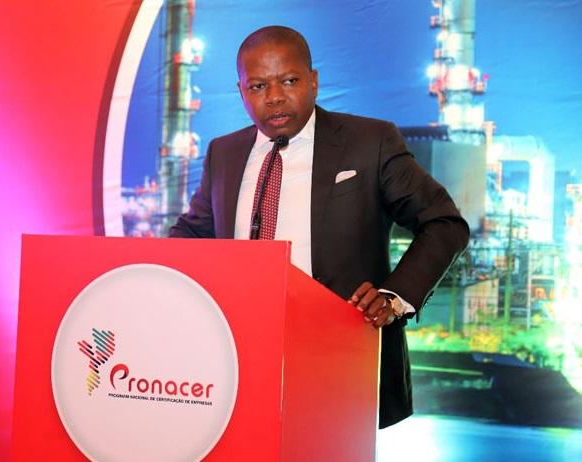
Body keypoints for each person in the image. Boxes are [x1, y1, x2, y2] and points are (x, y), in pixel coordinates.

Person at [169, 25, 469, 428]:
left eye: (289, 81)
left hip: (341, 360)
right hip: (238, 359)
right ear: (241, 92)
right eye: (258, 86)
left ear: (313, 81)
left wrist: (394, 296)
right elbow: (192, 236)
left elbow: (444, 223)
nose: (274, 97)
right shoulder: (223, 153)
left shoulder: (370, 141)